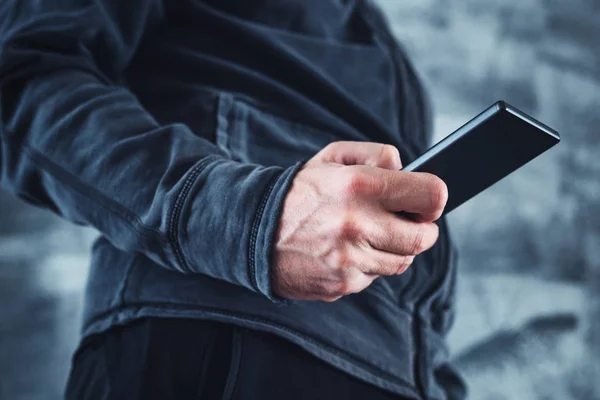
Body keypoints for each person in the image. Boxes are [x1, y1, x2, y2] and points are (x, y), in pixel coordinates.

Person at [0, 0, 467, 398]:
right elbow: (26, 83)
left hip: (390, 371)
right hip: (220, 331)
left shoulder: (373, 31)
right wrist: (251, 219)